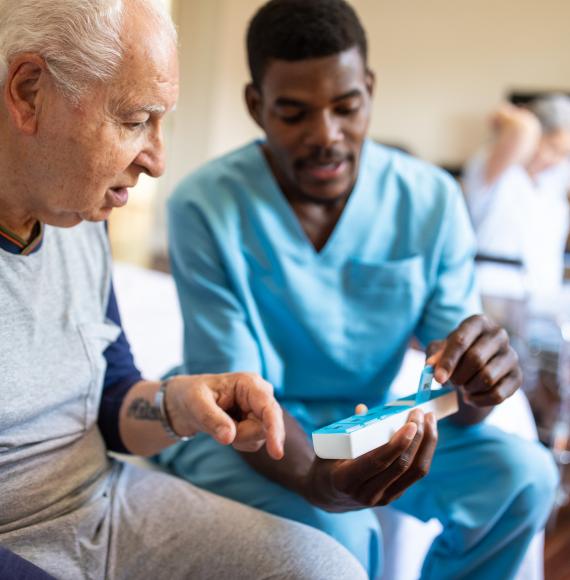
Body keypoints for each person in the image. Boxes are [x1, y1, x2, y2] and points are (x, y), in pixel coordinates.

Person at [157, 1, 559, 578]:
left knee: (524, 476)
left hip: (360, 422)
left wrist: (478, 385)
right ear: (256, 106)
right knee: (340, 534)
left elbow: (455, 402)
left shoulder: (430, 201)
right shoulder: (204, 206)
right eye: (294, 114)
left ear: (368, 89)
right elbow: (235, 402)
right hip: (240, 436)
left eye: (346, 108)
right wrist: (317, 483)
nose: (327, 136)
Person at [0, 1, 369, 578]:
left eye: (161, 120)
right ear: (28, 92)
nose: (158, 159)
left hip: (103, 507)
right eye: (133, 119)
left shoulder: (77, 217)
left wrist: (179, 405)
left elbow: (111, 394)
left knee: (327, 569)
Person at [463, 96, 570, 306]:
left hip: (542, 296)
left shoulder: (554, 178)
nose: (555, 159)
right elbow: (523, 128)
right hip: (494, 294)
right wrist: (510, 115)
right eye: (551, 147)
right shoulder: (495, 168)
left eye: (564, 153)